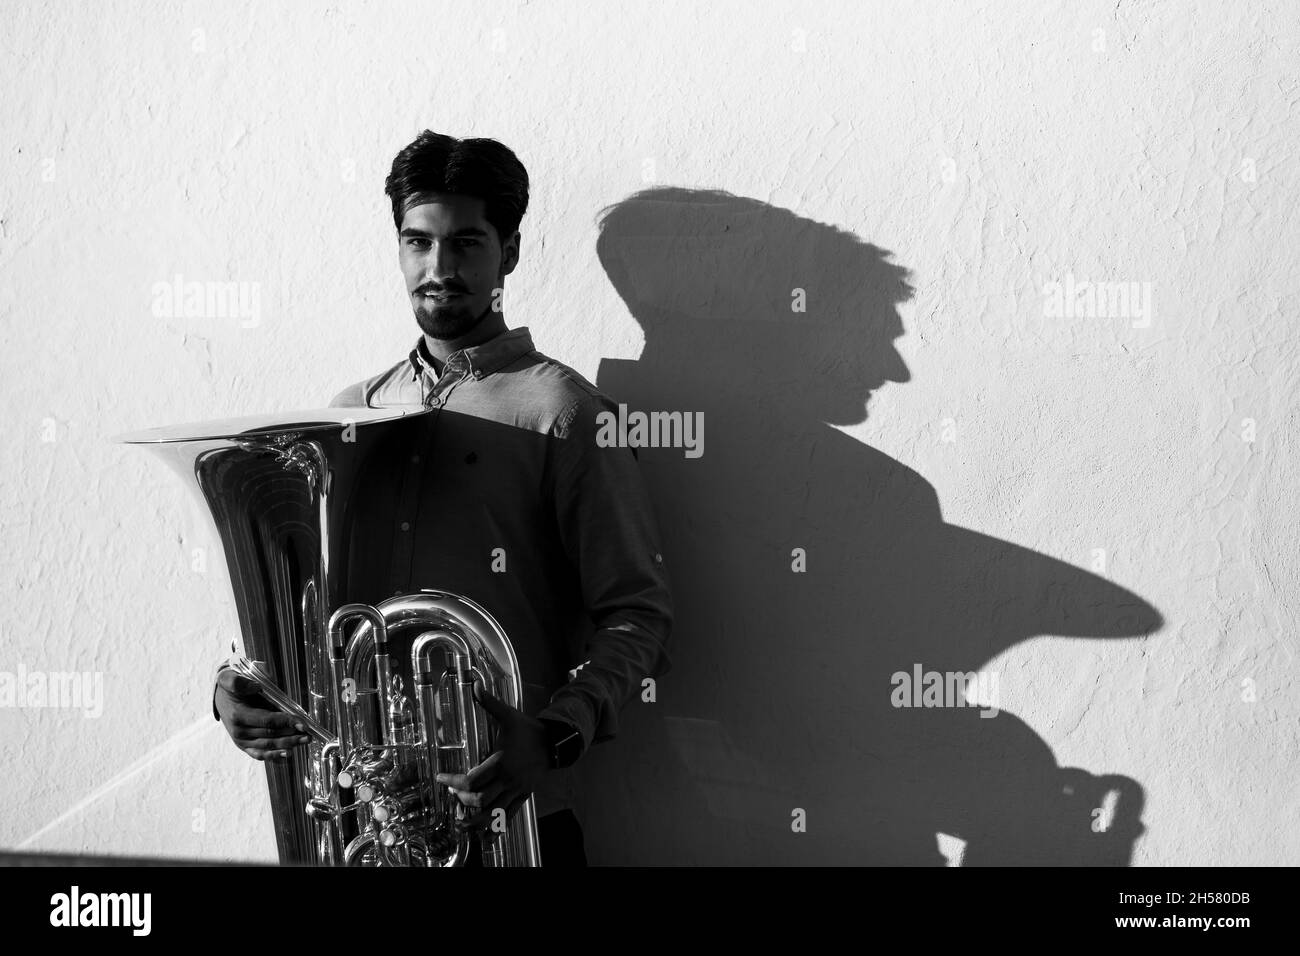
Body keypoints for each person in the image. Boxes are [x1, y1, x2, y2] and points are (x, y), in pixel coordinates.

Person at [212, 131, 674, 867]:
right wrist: (243, 688)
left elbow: (638, 613)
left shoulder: (565, 412)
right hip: (364, 823)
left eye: (465, 243)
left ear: (510, 253)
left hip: (513, 826)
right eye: (417, 242)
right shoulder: (346, 415)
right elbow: (313, 617)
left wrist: (555, 732)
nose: (439, 269)